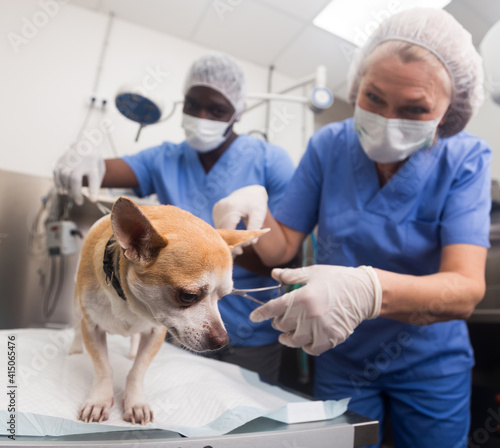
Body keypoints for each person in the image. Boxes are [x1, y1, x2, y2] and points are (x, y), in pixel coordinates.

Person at [213, 8, 490, 447]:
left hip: (430, 359)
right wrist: (257, 216)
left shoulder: (465, 159)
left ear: (447, 114)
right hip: (340, 352)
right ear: (357, 84)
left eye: (415, 109)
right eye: (374, 98)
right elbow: (283, 247)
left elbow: (466, 289)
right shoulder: (329, 145)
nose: (387, 118)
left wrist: (369, 291)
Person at [54, 52, 296, 382]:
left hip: (252, 330)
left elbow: (282, 258)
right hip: (174, 317)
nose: (201, 116)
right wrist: (81, 162)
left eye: (217, 110)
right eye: (192, 104)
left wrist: (251, 221)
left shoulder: (271, 161)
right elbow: (103, 174)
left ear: (237, 114)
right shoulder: (165, 158)